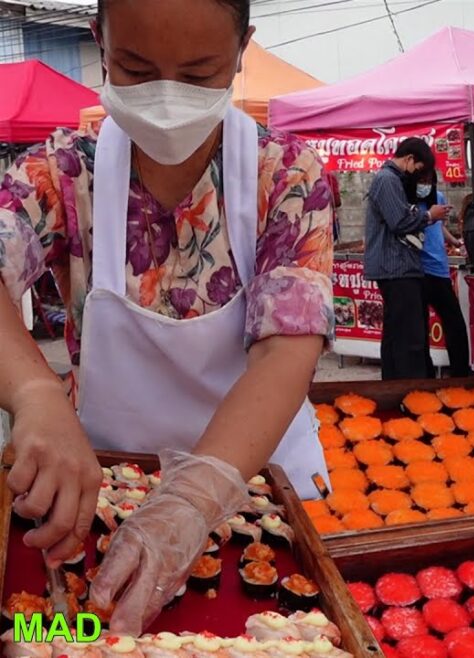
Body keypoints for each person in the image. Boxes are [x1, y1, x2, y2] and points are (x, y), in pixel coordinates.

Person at [0, 0, 333, 633]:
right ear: (100, 42)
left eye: (199, 73)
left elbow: (287, 351)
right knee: (78, 635)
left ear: (241, 50)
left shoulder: (286, 175)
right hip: (103, 493)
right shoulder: (66, 172)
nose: (166, 98)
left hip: (255, 494)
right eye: (135, 68)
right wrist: (34, 393)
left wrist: (194, 496)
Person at [363, 138, 449, 380]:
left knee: (397, 333)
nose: (419, 177)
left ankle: (394, 384)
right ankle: (411, 387)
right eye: (419, 170)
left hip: (399, 266)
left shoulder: (393, 180)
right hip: (396, 267)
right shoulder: (387, 180)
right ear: (409, 159)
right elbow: (399, 222)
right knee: (409, 336)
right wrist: (429, 216)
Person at [416, 169, 470, 377]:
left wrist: (455, 242)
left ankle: (460, 372)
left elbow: (438, 226)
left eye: (429, 180)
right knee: (420, 326)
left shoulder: (438, 198)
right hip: (420, 269)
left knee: (454, 322)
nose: (425, 185)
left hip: (440, 269)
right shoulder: (409, 202)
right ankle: (426, 374)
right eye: (421, 180)